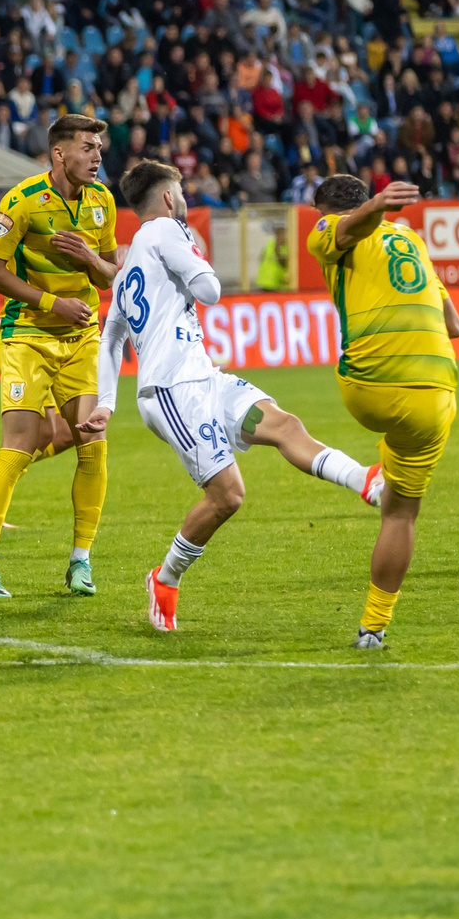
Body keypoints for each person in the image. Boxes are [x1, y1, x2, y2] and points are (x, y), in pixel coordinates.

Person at [97, 161, 381, 632]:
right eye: (182, 190)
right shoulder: (167, 229)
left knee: (285, 425)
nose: (185, 198)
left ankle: (366, 481)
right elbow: (208, 290)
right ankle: (164, 579)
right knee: (227, 496)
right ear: (168, 198)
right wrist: (203, 276)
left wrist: (106, 403)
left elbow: (111, 339)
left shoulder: (129, 269)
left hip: (201, 379)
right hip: (172, 391)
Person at [0, 114, 118, 599]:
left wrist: (91, 260)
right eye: (88, 147)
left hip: (82, 339)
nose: (97, 155)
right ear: (60, 153)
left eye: (99, 147)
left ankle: (81, 562)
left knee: (91, 443)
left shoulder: (102, 201)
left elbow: (110, 274)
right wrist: (50, 303)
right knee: (22, 443)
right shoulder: (23, 201)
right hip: (26, 334)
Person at [309, 174, 459, 649]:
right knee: (402, 516)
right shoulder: (412, 240)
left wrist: (371, 206)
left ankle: (374, 475)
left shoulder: (328, 229)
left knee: (391, 481)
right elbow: (455, 325)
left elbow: (348, 229)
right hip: (436, 395)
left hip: (370, 387)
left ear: (324, 211)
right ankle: (372, 629)